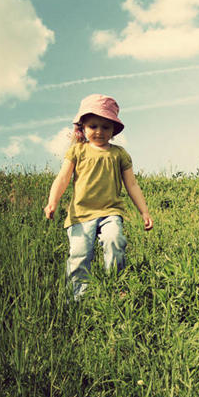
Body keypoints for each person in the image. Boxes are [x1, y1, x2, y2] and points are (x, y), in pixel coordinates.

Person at [44, 94, 153, 298]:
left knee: (115, 240)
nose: (99, 132)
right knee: (80, 255)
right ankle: (77, 299)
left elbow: (132, 184)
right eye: (93, 126)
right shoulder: (77, 151)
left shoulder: (119, 154)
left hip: (110, 211)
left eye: (105, 127)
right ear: (83, 127)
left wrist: (144, 211)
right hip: (81, 214)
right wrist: (52, 202)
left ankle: (115, 288)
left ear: (113, 129)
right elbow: (62, 178)